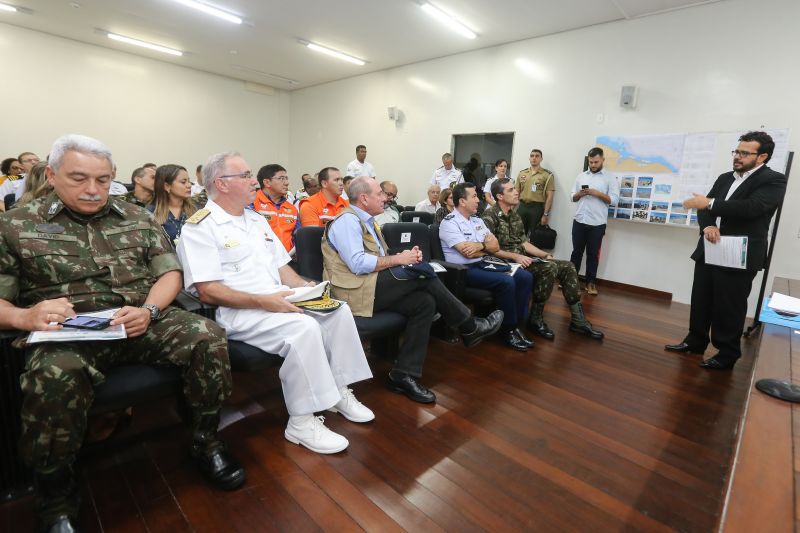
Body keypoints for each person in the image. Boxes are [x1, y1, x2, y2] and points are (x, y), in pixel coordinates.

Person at [0, 134, 245, 532]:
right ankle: (56, 496)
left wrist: (150, 310)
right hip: (69, 332)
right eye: (78, 178)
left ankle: (206, 442)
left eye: (103, 179)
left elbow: (169, 274)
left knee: (208, 335)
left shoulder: (136, 216)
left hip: (140, 318)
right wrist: (24, 317)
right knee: (53, 375)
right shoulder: (15, 225)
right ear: (52, 175)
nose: (93, 190)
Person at [177, 151, 374, 455]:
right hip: (240, 311)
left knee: (338, 310)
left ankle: (338, 392)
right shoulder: (200, 227)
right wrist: (265, 302)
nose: (254, 181)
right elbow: (207, 291)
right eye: (245, 176)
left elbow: (282, 268)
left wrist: (305, 288)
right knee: (304, 328)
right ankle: (301, 421)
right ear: (222, 183)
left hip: (276, 298)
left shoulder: (256, 220)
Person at [324, 177, 503, 403]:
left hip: (369, 287)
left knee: (424, 302)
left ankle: (403, 375)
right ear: (364, 198)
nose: (385, 198)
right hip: (352, 294)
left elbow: (379, 259)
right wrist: (399, 259)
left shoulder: (368, 222)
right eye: (380, 193)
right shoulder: (347, 221)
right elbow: (358, 264)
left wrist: (404, 257)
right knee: (423, 276)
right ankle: (469, 326)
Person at [665, 131, 787, 370]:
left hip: (739, 253)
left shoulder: (773, 180)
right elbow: (704, 209)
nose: (737, 156)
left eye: (745, 153)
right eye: (736, 151)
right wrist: (708, 225)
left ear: (762, 156)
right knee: (701, 298)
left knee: (729, 305)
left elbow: (753, 207)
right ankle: (695, 340)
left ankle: (727, 353)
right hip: (711, 247)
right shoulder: (724, 178)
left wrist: (709, 203)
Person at [482, 178, 604, 340]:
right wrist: (516, 256)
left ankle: (578, 321)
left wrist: (544, 255)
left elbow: (523, 243)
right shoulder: (489, 216)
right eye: (511, 190)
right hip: (505, 263)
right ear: (499, 196)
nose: (516, 192)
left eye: (515, 189)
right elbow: (488, 250)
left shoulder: (514, 215)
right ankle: (535, 319)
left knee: (567, 266)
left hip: (522, 259)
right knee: (549, 268)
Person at [439, 183, 534, 351]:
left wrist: (480, 246)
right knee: (506, 282)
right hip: (462, 270)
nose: (478, 200)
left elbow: (495, 247)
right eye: (474, 196)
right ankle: (508, 330)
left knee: (525, 276)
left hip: (482, 263)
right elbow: (467, 253)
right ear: (462, 201)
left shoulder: (477, 220)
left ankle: (518, 324)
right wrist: (485, 247)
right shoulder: (449, 223)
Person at [569, 147, 619, 296]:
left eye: (596, 162)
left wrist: (597, 193)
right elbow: (572, 197)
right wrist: (579, 194)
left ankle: (590, 282)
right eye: (590, 162)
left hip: (597, 223)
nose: (593, 165)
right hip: (579, 220)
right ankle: (570, 280)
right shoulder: (581, 177)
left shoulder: (610, 178)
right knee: (576, 252)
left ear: (603, 160)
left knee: (593, 255)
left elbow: (614, 200)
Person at [253, 163, 299, 254]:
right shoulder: (251, 204)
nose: (287, 183)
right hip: (260, 258)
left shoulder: (292, 208)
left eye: (286, 178)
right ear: (267, 182)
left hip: (288, 258)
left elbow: (297, 235)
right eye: (281, 178)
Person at [150, 164, 196, 246]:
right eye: (183, 182)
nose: (189, 185)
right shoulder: (150, 213)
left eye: (189, 181)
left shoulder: (196, 209)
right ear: (167, 186)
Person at [516, 149, 555, 235]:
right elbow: (516, 192)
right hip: (522, 206)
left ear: (541, 159)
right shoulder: (522, 173)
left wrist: (545, 214)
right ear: (529, 158)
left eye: (537, 156)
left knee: (534, 235)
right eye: (532, 156)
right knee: (518, 233)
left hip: (536, 208)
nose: (534, 158)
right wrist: (511, 209)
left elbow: (550, 197)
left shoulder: (547, 175)